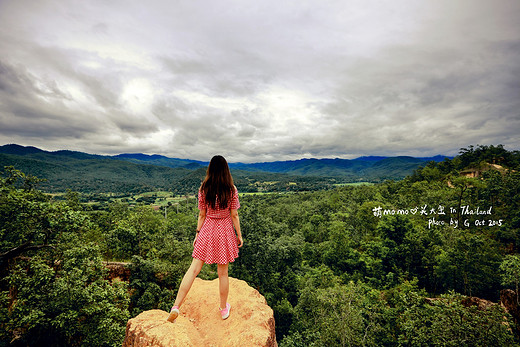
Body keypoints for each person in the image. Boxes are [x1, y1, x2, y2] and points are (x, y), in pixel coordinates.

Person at [167, 155, 243, 322]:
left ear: (210, 169)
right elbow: (234, 214)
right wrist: (239, 235)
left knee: (193, 269)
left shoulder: (204, 188)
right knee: (223, 273)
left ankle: (176, 306)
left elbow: (202, 214)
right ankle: (223, 309)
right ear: (226, 170)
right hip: (223, 230)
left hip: (208, 229)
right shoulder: (231, 189)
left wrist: (197, 234)